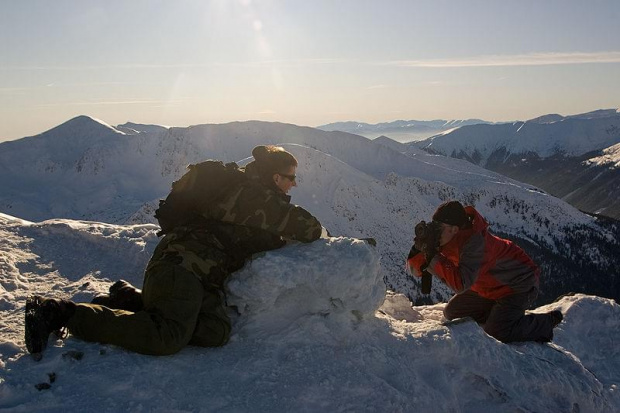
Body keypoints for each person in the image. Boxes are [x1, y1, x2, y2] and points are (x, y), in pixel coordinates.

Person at [25, 145, 323, 357]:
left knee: (215, 331)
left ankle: (131, 301)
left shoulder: (251, 195)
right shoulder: (252, 199)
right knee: (166, 338)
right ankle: (60, 313)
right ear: (274, 177)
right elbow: (307, 227)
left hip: (200, 277)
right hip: (180, 267)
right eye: (290, 177)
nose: (294, 183)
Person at [407, 200, 563, 343]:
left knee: (497, 332)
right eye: (434, 226)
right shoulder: (446, 238)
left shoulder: (475, 244)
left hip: (518, 286)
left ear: (454, 229)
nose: (436, 232)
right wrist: (420, 250)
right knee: (453, 312)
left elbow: (461, 284)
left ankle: (545, 323)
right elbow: (416, 271)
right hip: (487, 288)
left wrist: (433, 257)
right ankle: (498, 312)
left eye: (439, 228)